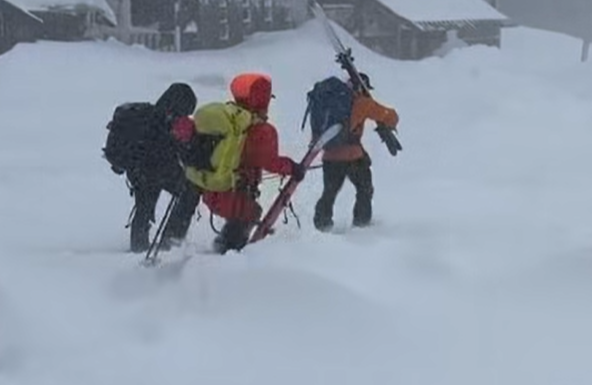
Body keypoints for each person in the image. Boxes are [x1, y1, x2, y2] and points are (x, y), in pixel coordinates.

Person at [178, 72, 304, 254]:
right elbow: (270, 162)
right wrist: (293, 168)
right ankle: (230, 259)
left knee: (243, 217)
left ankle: (222, 248)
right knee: (249, 215)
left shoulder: (231, 122)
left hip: (210, 186)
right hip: (234, 192)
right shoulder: (261, 130)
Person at [102, 82, 199, 253]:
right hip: (157, 170)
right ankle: (170, 242)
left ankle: (139, 248)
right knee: (187, 194)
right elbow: (175, 147)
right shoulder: (168, 120)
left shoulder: (149, 115)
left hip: (139, 171)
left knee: (144, 208)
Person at [311, 70, 399, 232]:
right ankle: (362, 225)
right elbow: (389, 116)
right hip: (353, 157)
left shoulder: (330, 101)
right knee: (364, 189)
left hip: (330, 156)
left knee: (329, 192)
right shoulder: (362, 103)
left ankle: (321, 226)